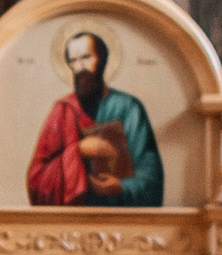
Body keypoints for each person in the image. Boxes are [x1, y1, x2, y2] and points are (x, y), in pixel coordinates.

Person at [24, 27, 164, 204]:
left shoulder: (129, 108)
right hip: (73, 222)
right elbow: (37, 181)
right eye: (73, 60)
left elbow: (151, 178)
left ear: (103, 60)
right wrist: (79, 150)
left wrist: (121, 187)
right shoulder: (62, 110)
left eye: (86, 57)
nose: (79, 67)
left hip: (121, 220)